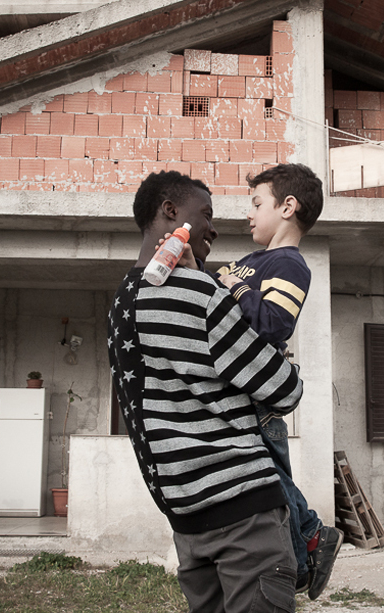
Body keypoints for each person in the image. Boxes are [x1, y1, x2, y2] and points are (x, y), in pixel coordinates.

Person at [107, 170, 304, 613]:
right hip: (244, 516)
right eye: (206, 215)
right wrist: (286, 363)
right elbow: (284, 390)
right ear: (170, 212)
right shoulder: (198, 294)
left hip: (186, 521)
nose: (215, 228)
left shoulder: (123, 301)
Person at [213, 164, 344, 600]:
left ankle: (309, 540)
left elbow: (273, 325)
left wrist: (235, 288)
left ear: (288, 206)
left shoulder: (290, 264)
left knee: (267, 482)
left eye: (256, 204)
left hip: (260, 401)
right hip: (238, 393)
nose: (248, 214)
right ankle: (307, 546)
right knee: (267, 483)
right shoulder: (251, 262)